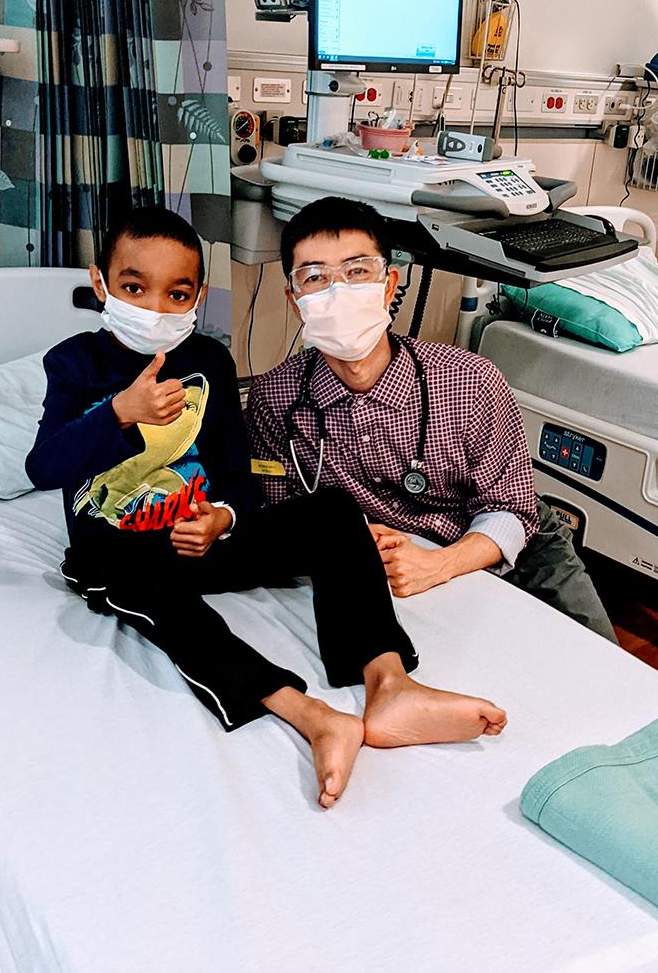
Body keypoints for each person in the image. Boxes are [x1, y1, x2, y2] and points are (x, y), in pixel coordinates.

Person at [26, 207, 508, 810]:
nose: (155, 307)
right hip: (122, 551)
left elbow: (237, 476)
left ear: (199, 296)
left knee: (332, 511)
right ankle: (311, 715)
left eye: (177, 293)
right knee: (132, 572)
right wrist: (121, 412)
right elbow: (43, 467)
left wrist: (222, 517)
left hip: (206, 540)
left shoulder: (210, 361)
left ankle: (390, 685)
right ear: (101, 284)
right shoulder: (72, 363)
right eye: (134, 287)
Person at [246, 197, 616, 643]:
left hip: (504, 538)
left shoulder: (470, 381)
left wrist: (438, 564)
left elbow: (510, 510)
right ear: (295, 301)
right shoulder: (276, 400)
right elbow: (281, 513)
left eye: (357, 271)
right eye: (315, 278)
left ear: (388, 285)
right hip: (381, 558)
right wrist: (351, 539)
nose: (338, 292)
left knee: (601, 662)